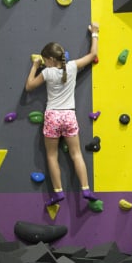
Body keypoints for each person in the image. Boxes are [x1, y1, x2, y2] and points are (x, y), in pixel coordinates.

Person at [25, 22, 100, 206]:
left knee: (52, 156)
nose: (44, 62)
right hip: (68, 115)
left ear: (50, 59)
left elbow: (29, 87)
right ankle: (85, 188)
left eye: (44, 60)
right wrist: (95, 34)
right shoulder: (73, 66)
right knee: (76, 154)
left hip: (52, 116)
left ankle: (58, 192)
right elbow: (93, 55)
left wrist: (35, 66)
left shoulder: (48, 72)